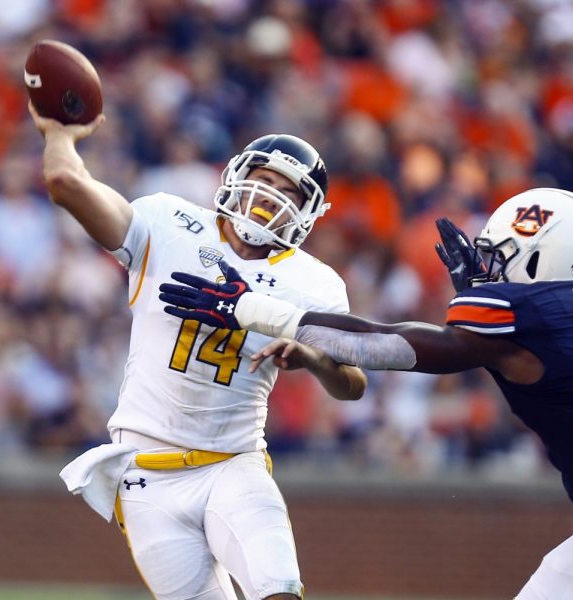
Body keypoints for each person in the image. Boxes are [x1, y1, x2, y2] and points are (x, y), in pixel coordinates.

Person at [159, 187, 573, 599]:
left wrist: (262, 311)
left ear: (549, 262)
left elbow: (395, 347)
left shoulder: (534, 316)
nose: (486, 272)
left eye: (504, 258)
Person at [28, 103, 367, 600]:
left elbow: (352, 384)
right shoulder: (168, 221)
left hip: (233, 462)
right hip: (147, 472)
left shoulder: (314, 283)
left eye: (289, 191)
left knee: (279, 591)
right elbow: (65, 184)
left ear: (309, 211)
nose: (271, 196)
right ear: (234, 175)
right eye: (264, 179)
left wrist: (311, 356)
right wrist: (59, 135)